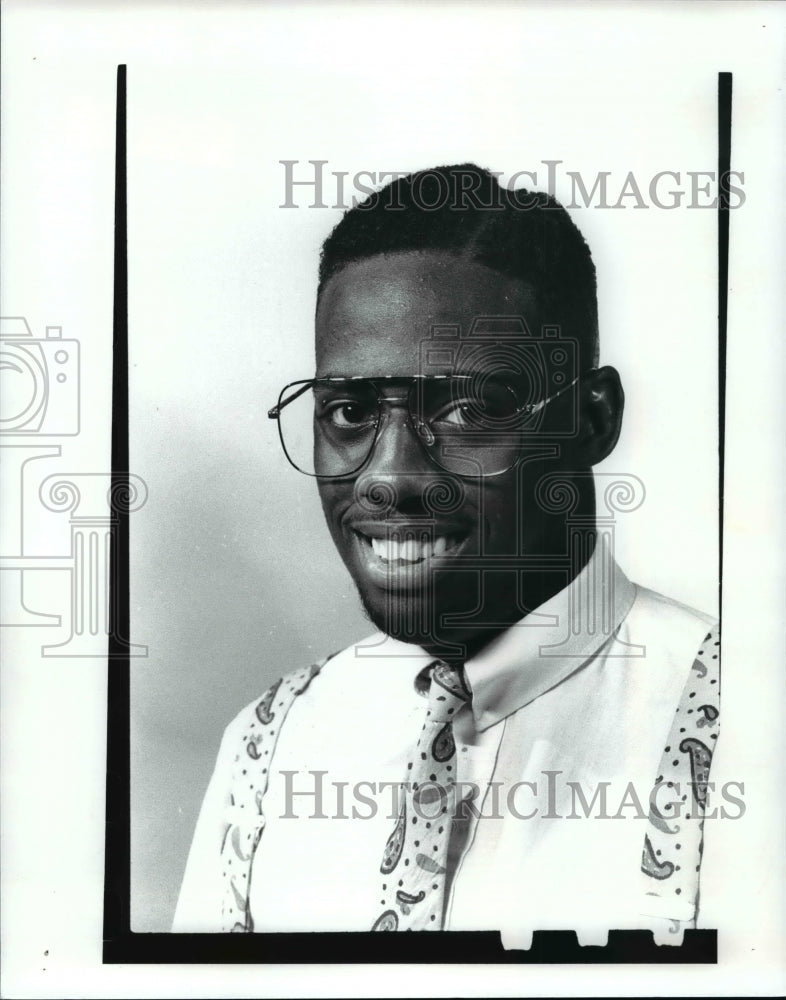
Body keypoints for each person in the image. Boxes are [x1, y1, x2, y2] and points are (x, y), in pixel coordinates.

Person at [173, 164, 721, 943]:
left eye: (472, 407)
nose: (391, 477)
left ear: (593, 420)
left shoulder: (746, 724)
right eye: (352, 411)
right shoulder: (271, 745)